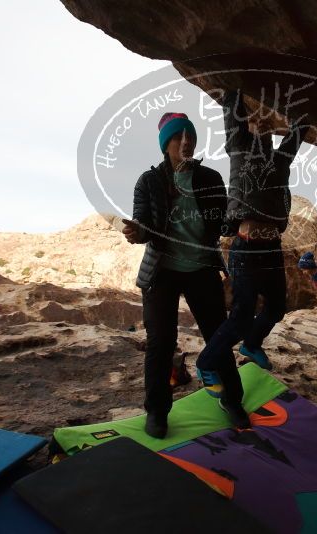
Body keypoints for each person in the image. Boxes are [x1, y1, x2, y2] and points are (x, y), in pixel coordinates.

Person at [122, 112, 250, 439]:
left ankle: (232, 400)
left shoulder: (209, 178)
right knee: (161, 342)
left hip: (201, 269)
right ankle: (157, 411)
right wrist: (137, 232)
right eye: (179, 137)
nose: (186, 142)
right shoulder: (149, 181)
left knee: (217, 336)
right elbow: (144, 225)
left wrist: (235, 223)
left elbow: (221, 221)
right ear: (166, 144)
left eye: (190, 136)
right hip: (162, 271)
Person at [196, 88, 305, 382]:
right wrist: (235, 86)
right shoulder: (240, 148)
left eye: (266, 126)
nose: (262, 128)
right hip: (246, 249)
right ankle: (206, 362)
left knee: (277, 308)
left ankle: (252, 344)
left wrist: (307, 108)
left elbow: (298, 131)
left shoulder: (280, 160)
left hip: (272, 249)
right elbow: (232, 116)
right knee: (241, 316)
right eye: (255, 122)